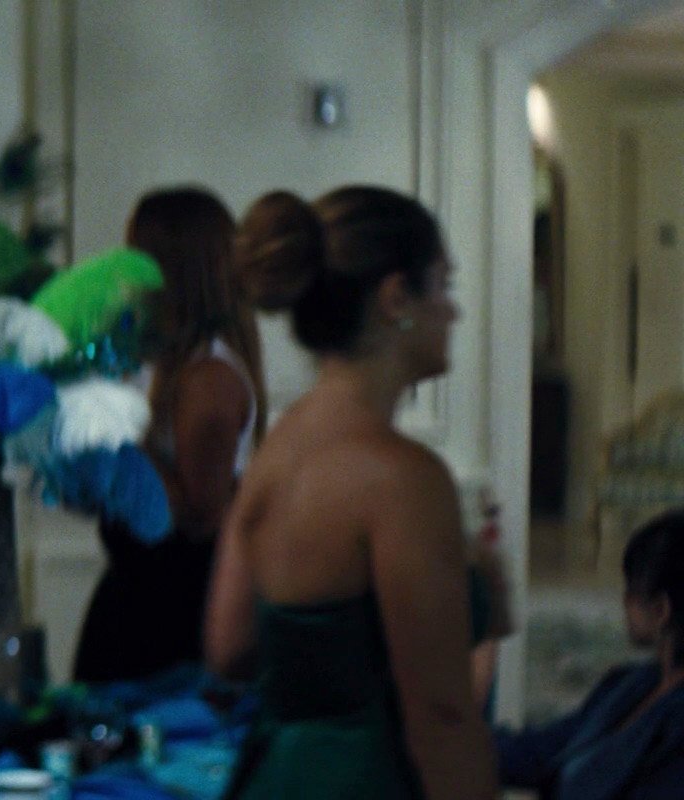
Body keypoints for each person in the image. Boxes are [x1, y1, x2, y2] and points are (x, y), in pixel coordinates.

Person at [204, 186, 498, 799]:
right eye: (443, 285)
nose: (454, 312)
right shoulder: (403, 478)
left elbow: (229, 649)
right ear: (396, 299)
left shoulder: (276, 450)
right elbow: (442, 721)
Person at [74, 187, 265, 683]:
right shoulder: (153, 359)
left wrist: (118, 424)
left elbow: (199, 516)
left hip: (176, 611)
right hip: (133, 592)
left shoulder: (208, 377)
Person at [497, 510, 684, 799]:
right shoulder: (630, 684)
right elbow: (543, 750)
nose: (623, 602)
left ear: (660, 610)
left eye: (631, 590)